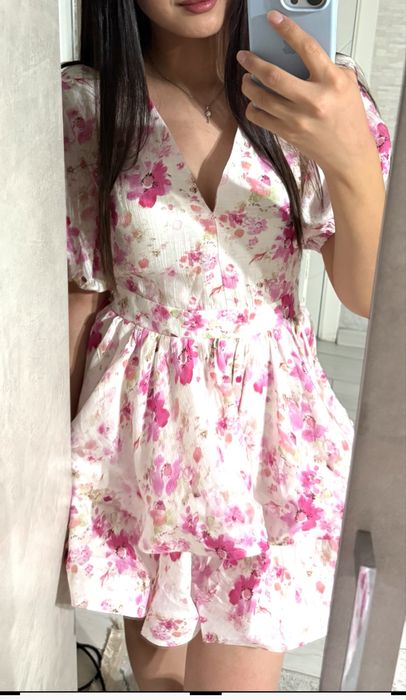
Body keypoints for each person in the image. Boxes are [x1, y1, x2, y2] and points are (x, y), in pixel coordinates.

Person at [63, 0, 391, 691]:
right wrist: (48, 477)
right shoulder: (89, 105)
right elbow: (81, 300)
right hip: (143, 452)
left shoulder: (315, 96)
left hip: (266, 445)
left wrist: (350, 155)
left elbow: (367, 294)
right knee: (163, 683)